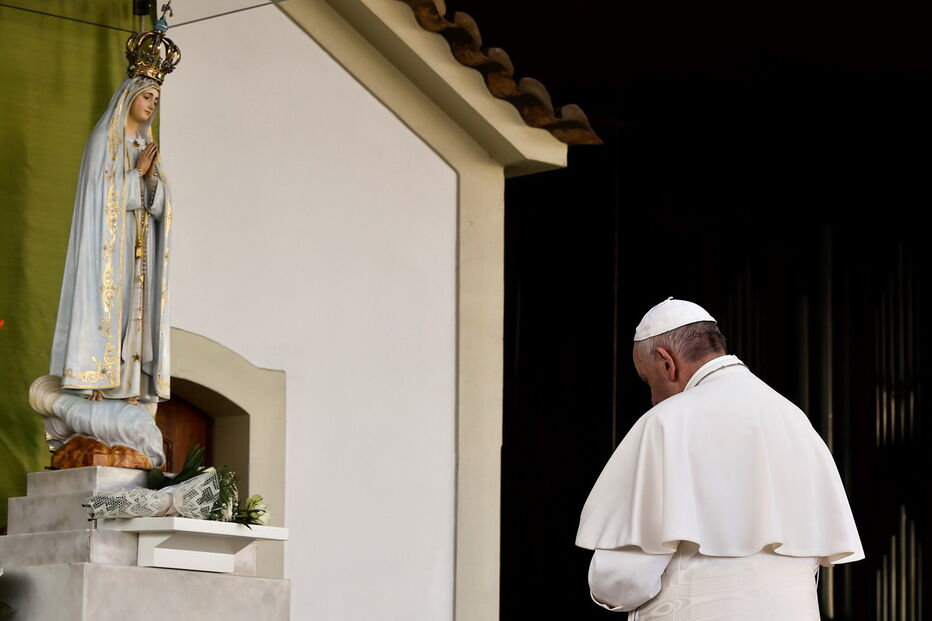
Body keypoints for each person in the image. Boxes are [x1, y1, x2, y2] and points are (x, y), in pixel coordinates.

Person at [576, 298, 863, 620]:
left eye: (648, 381)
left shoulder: (666, 423)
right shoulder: (795, 420)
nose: (652, 397)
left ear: (666, 362)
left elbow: (621, 581)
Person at [50, 59, 175, 405]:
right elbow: (98, 198)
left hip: (141, 250)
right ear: (130, 95)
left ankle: (131, 388)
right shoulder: (105, 140)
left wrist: (150, 179)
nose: (151, 105)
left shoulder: (146, 146)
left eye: (156, 100)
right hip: (109, 249)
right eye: (147, 96)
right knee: (111, 307)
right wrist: (137, 175)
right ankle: (97, 383)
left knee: (137, 312)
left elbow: (162, 204)